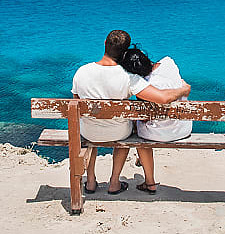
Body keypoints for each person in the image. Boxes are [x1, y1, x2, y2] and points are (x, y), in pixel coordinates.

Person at [71, 30, 190, 195]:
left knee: (90, 135)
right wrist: (183, 89)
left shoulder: (81, 72)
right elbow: (162, 98)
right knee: (129, 132)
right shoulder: (128, 77)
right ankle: (114, 183)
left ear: (105, 43)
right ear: (124, 52)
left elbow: (77, 103)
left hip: (89, 131)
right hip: (118, 133)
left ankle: (90, 181)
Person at [119, 46, 192, 194]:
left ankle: (150, 183)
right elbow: (180, 81)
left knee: (137, 134)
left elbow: (145, 119)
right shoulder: (168, 62)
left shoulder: (144, 86)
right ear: (144, 56)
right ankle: (142, 162)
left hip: (157, 134)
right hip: (183, 128)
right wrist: (183, 89)